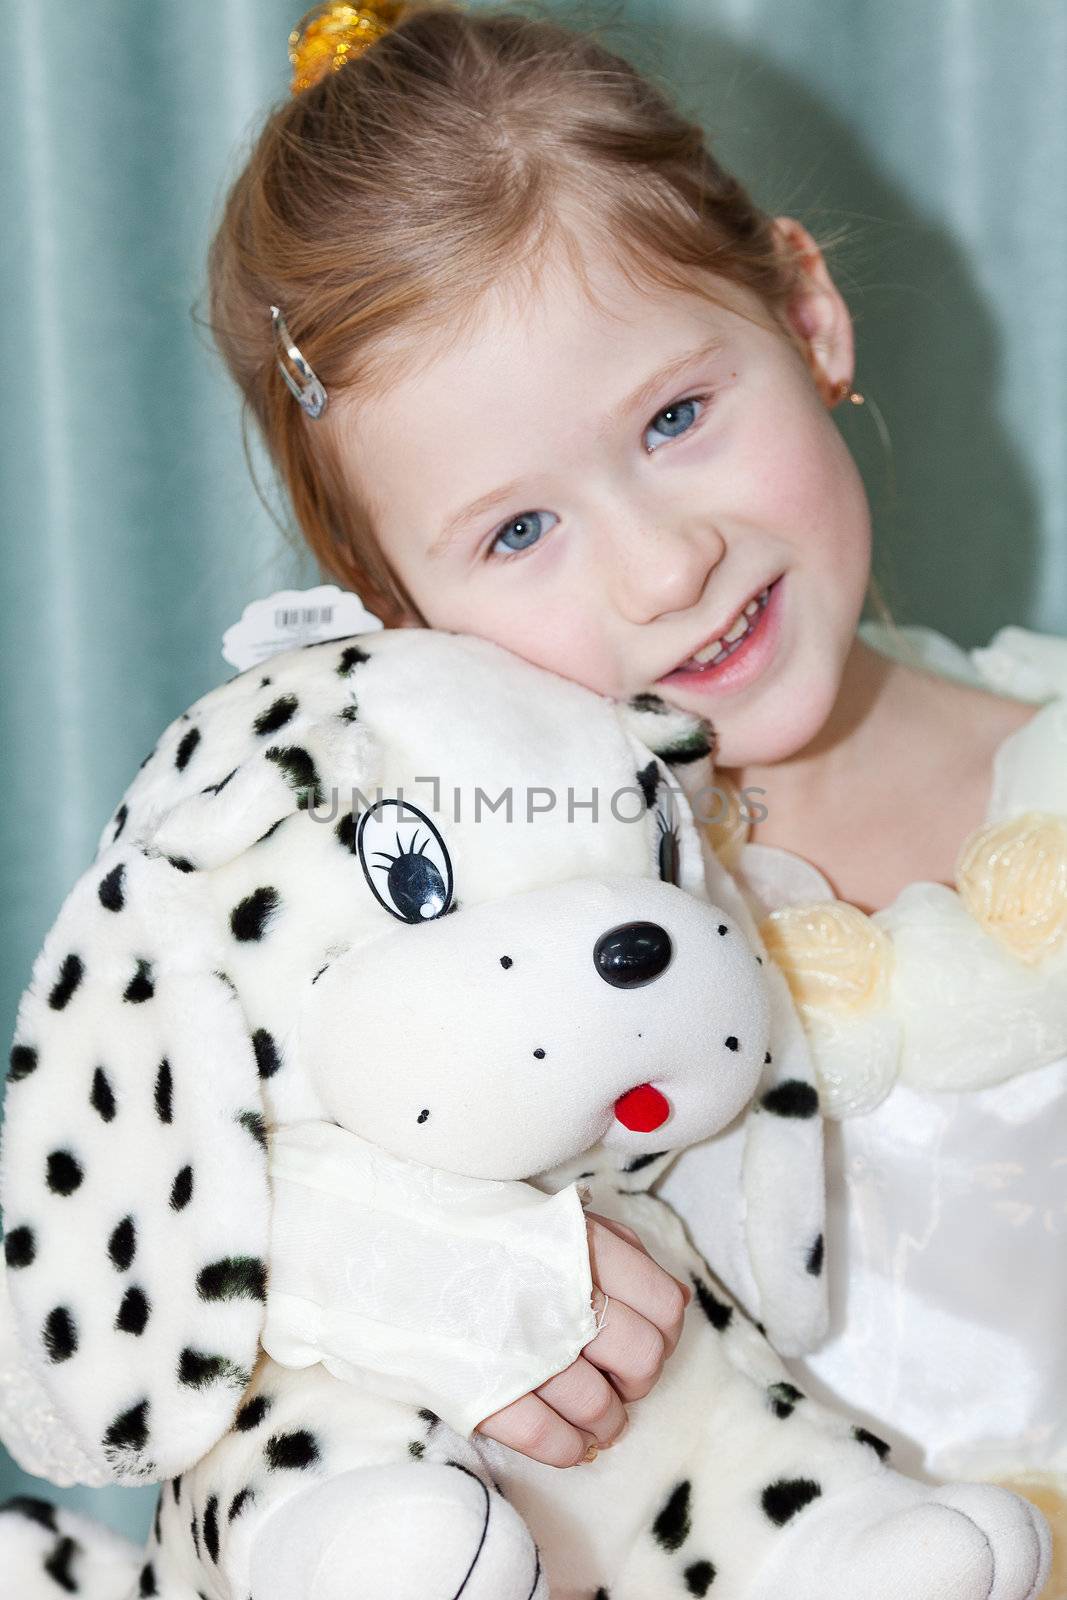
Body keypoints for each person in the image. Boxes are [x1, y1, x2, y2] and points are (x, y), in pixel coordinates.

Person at [204, 0, 1066, 1528]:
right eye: (519, 531)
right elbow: (190, 1266)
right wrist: (435, 1290)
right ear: (398, 615)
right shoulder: (425, 961)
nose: (665, 569)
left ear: (806, 317)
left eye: (675, 416)